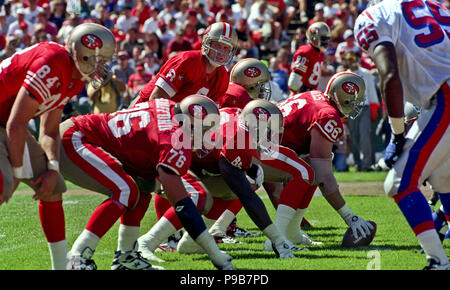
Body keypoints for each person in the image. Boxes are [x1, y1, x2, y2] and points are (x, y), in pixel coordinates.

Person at [61, 95, 235, 270]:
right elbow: (182, 205)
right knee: (125, 191)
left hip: (85, 134)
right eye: (204, 129)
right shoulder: (172, 140)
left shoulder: (170, 107)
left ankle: (126, 256)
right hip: (77, 137)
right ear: (191, 124)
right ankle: (77, 258)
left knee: (143, 187)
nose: (205, 136)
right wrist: (215, 253)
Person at [0, 22, 115, 270]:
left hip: (7, 122)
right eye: (95, 59)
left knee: (53, 187)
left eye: (103, 60)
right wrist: (18, 173)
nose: (100, 66)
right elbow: (16, 124)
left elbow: (49, 130)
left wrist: (52, 168)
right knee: (3, 183)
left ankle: (60, 268)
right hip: (7, 122)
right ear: (78, 52)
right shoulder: (53, 62)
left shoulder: (73, 78)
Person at [354, 0, 450, 269]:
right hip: (439, 95)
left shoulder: (376, 14)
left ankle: (438, 262)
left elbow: (389, 76)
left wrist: (397, 134)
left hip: (444, 95)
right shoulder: (437, 6)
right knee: (444, 181)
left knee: (398, 183)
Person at [137, 99, 296, 261]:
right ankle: (148, 241)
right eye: (270, 131)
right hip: (169, 159)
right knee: (207, 192)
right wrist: (278, 239)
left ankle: (192, 243)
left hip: (188, 160)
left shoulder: (237, 115)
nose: (273, 137)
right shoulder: (239, 138)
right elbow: (246, 195)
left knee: (237, 184)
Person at [276, 72, 376, 244]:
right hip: (261, 147)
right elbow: (324, 176)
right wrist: (349, 217)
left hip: (262, 141)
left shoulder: (317, 95)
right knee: (308, 172)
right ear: (344, 99)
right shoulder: (328, 115)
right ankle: (276, 239)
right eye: (353, 101)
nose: (355, 106)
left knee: (309, 171)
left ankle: (292, 232)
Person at [132, 21, 237, 105]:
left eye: (226, 48)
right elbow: (155, 99)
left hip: (179, 120)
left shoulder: (222, 77)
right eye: (217, 45)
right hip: (145, 109)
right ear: (206, 43)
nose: (221, 52)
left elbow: (210, 114)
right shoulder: (187, 61)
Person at [341, 50, 380, 171]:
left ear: (358, 60)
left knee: (365, 136)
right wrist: (343, 112)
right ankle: (358, 163)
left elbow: (372, 91)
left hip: (364, 107)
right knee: (353, 137)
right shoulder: (344, 75)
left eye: (353, 59)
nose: (351, 62)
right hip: (351, 109)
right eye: (349, 60)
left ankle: (366, 164)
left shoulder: (366, 73)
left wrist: (374, 107)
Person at [288, 21, 331, 96]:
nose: (326, 41)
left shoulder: (319, 54)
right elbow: (294, 83)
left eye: (328, 38)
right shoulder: (305, 52)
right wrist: (306, 93)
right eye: (324, 38)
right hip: (299, 96)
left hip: (309, 95)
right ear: (314, 38)